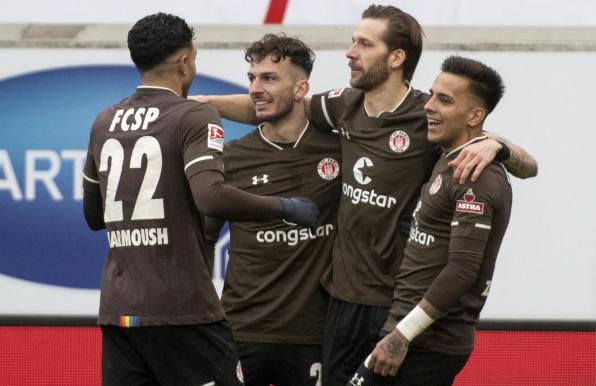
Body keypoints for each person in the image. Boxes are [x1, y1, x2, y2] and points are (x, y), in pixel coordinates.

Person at [191, 5, 538, 385]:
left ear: (396, 57)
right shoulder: (344, 105)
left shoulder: (428, 114)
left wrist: (498, 147)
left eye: (363, 43)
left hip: (393, 303)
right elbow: (275, 106)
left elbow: (525, 164)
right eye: (353, 41)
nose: (349, 52)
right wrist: (198, 106)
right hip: (340, 302)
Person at [82, 13, 319, 386]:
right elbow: (210, 196)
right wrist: (285, 207)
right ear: (185, 61)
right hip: (182, 309)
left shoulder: (103, 121)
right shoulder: (193, 116)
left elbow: (94, 216)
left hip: (119, 311)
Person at [349, 55, 513, 385]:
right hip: (410, 332)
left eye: (445, 100)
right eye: (432, 94)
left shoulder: (475, 176)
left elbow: (463, 268)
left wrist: (401, 336)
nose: (429, 105)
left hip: (428, 342)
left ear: (475, 115)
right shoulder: (447, 157)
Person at [203, 33, 340, 386]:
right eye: (252, 78)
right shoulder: (231, 156)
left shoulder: (341, 149)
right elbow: (203, 239)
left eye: (269, 78)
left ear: (301, 89)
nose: (255, 88)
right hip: (240, 329)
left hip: (315, 334)